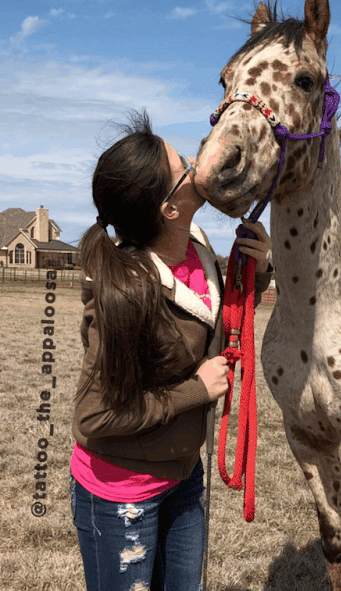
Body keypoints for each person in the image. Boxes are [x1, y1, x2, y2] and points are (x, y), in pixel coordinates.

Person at [69, 109, 272, 591]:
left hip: (181, 477)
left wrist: (259, 271)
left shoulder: (200, 254)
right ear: (169, 208)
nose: (197, 161)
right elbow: (94, 418)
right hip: (121, 493)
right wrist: (195, 391)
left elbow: (221, 324)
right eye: (183, 161)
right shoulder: (126, 292)